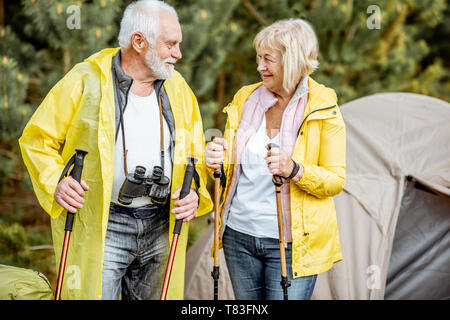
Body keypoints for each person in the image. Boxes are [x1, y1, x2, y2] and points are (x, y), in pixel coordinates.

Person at [19, 0, 212, 300]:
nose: (179, 54)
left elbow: (194, 157)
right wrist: (56, 180)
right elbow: (36, 139)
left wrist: (194, 194)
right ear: (139, 41)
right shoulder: (86, 79)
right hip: (104, 225)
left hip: (162, 224)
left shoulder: (179, 89)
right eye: (171, 44)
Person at [205, 18, 346, 300]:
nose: (259, 67)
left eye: (267, 59)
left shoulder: (323, 106)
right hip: (238, 235)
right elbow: (228, 172)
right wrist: (215, 162)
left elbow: (335, 180)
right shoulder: (246, 99)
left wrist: (295, 170)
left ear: (291, 60)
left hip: (293, 244)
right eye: (258, 58)